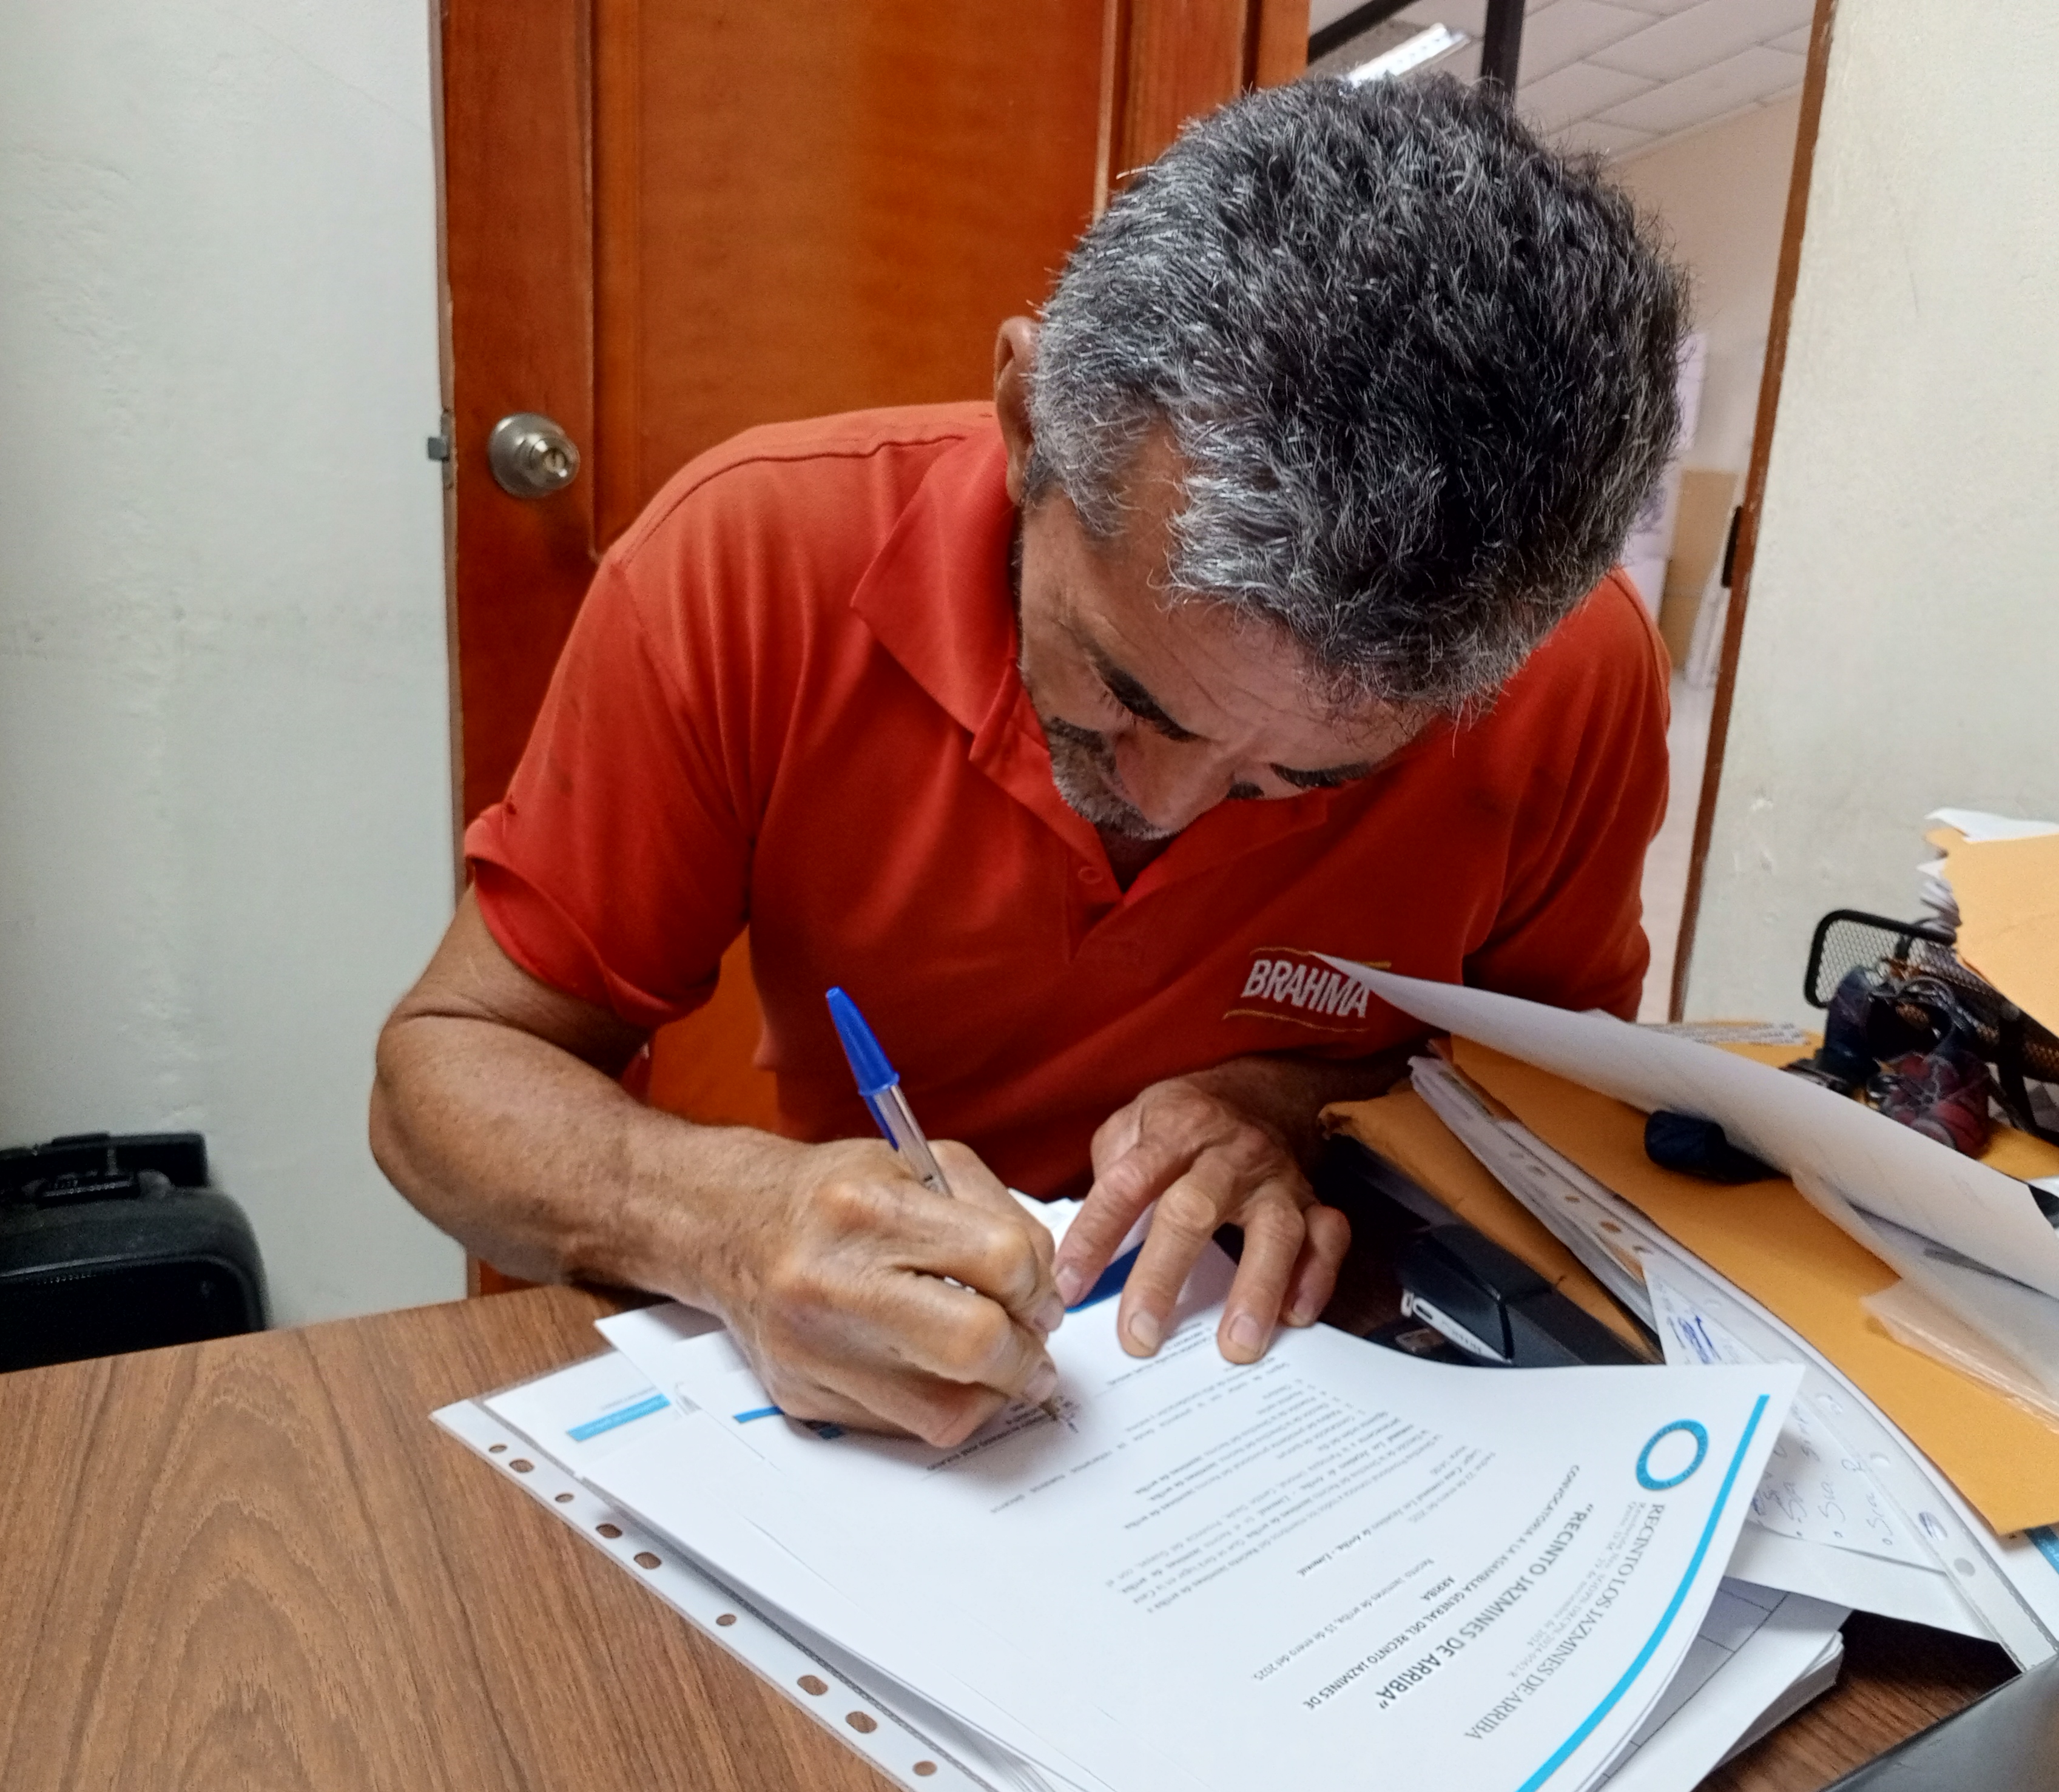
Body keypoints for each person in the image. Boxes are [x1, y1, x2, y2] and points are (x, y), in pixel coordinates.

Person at [371, 76, 1684, 1449]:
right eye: (1126, 696)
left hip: (1294, 1411)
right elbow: (445, 1072)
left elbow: (1559, 1118)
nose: (1164, 804)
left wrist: (1303, 1111)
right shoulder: (752, 558)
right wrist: (723, 1219)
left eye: (1310, 777)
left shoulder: (1571, 675)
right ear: (1025, 417)